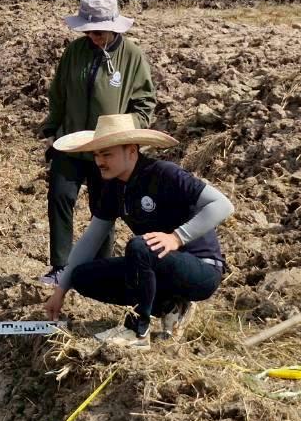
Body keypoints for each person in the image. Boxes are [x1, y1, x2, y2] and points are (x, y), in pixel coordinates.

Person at [43, 114, 232, 350]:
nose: (100, 162)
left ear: (131, 151)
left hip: (201, 269)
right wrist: (61, 289)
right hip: (158, 266)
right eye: (97, 155)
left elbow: (223, 205)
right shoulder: (114, 187)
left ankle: (138, 331)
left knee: (140, 247)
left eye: (107, 154)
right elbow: (91, 239)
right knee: (83, 276)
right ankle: (170, 306)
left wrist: (177, 237)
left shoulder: (164, 173)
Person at [38, 0, 155, 285]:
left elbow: (144, 104)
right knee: (60, 197)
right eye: (88, 32)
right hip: (71, 142)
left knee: (103, 210)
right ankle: (60, 266)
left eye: (99, 32)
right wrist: (51, 130)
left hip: (108, 147)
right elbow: (59, 94)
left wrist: (124, 132)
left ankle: (101, 272)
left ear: (114, 28)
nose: (93, 37)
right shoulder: (75, 52)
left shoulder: (132, 56)